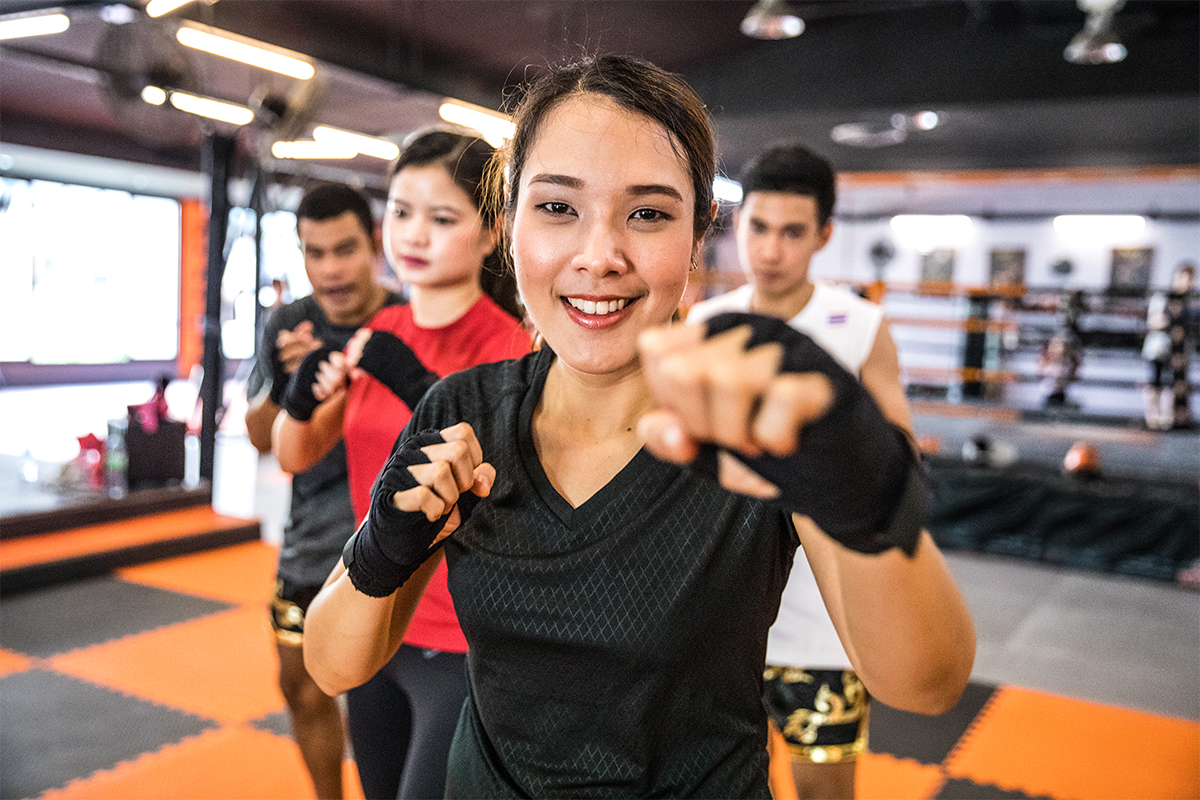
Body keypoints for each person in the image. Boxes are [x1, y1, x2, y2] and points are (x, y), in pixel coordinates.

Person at [303, 54, 975, 798]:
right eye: (558, 208)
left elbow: (926, 686)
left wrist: (868, 496)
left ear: (697, 236)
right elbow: (334, 666)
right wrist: (380, 552)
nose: (600, 257)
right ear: (511, 220)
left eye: (648, 214)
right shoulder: (464, 411)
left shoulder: (743, 426)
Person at [274, 130, 531, 799]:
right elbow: (295, 454)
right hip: (370, 616)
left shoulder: (510, 348)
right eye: (400, 211)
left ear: (489, 234)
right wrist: (299, 400)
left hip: (461, 636)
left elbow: (502, 485)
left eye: (442, 219)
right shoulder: (378, 333)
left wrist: (421, 387)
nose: (414, 234)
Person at [687, 143, 912, 800]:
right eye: (758, 227)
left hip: (822, 623)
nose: (771, 250)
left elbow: (901, 468)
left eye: (792, 233)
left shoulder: (860, 328)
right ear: (740, 224)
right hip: (718, 618)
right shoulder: (705, 326)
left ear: (823, 235)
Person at [244, 182, 399, 800]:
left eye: (344, 249)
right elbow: (259, 437)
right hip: (311, 542)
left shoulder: (406, 319)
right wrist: (291, 382)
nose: (330, 269)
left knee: (383, 705)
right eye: (315, 253)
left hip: (392, 540)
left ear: (374, 244)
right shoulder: (288, 323)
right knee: (300, 686)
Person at [1144, 262, 1197, 430]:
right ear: (1177, 277)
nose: (1189, 283)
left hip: (1179, 351)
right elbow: (1154, 320)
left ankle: (1167, 420)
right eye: (1186, 278)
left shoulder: (1189, 301)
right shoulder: (1163, 296)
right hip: (1159, 348)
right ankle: (1153, 420)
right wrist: (1171, 323)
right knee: (1155, 384)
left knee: (1172, 386)